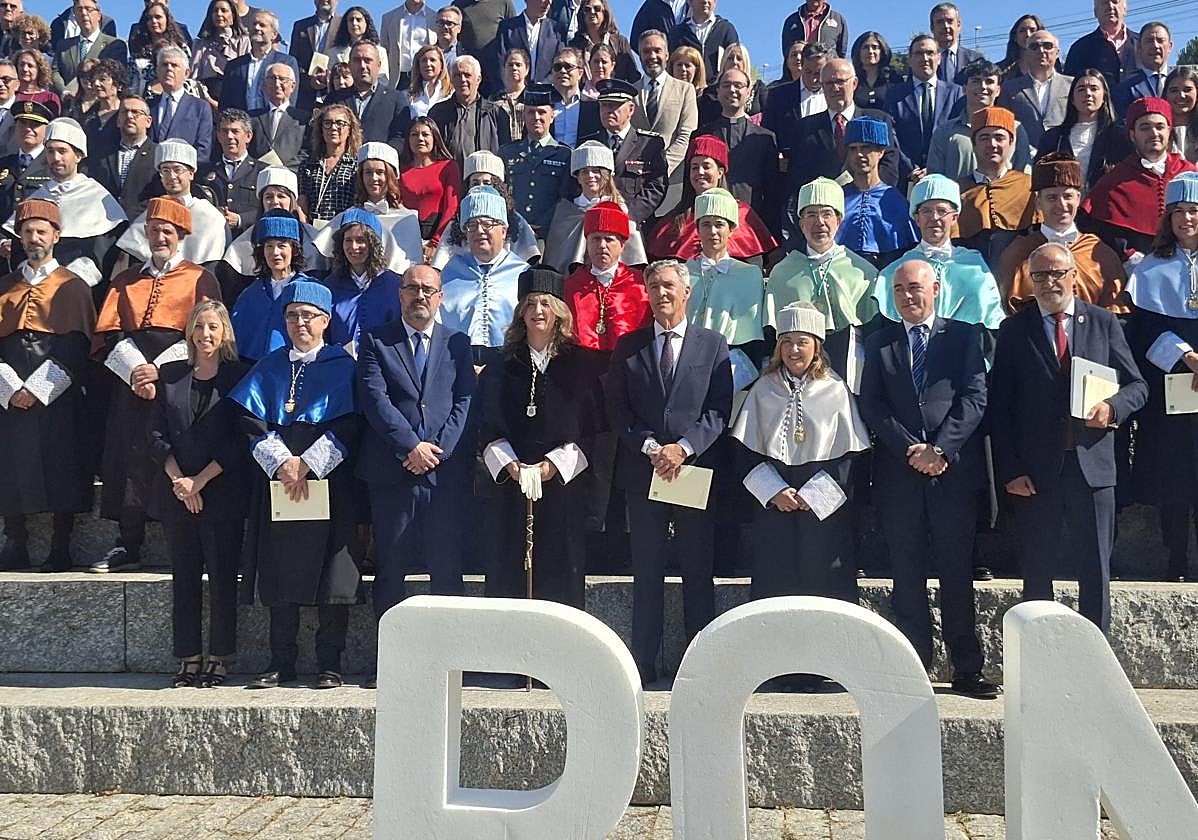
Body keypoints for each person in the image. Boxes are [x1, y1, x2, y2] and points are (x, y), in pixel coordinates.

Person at [857, 259, 998, 699]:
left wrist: (940, 449)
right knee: (906, 573)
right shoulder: (880, 343)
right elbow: (872, 405)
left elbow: (975, 397)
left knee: (957, 572)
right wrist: (909, 450)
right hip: (901, 475)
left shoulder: (963, 336)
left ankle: (966, 668)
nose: (907, 297)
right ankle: (914, 666)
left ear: (935, 289)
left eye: (915, 288)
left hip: (951, 474)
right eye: (899, 290)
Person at [990, 241, 1145, 633]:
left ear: (1074, 276)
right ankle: (1040, 655)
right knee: (1036, 570)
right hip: (1035, 475)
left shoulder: (1103, 322)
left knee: (1095, 568)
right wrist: (1010, 471)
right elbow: (999, 409)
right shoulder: (1013, 330)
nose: (1048, 282)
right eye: (1039, 275)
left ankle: (1097, 656)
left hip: (1092, 468)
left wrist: (1113, 408)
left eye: (1057, 273)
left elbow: (1137, 387)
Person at [605, 258, 732, 686]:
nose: (661, 294)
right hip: (645, 472)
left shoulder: (712, 345)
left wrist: (684, 448)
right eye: (654, 286)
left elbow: (718, 410)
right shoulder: (629, 347)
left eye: (669, 286)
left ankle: (700, 665)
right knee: (647, 568)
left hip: (692, 472)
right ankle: (644, 662)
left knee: (698, 568)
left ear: (686, 292)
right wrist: (651, 447)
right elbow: (618, 410)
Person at [731, 301, 870, 688]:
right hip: (776, 504)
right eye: (787, 342)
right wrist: (775, 491)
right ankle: (776, 667)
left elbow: (849, 457)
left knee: (823, 579)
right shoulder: (763, 389)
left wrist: (814, 496)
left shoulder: (835, 390)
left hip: (821, 507)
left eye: (802, 342)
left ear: (817, 346)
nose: (794, 351)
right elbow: (745, 453)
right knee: (776, 583)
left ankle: (828, 667)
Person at [233, 279, 362, 690]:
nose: (300, 323)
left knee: (331, 575)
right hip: (279, 483)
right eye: (292, 315)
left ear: (325, 321)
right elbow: (251, 421)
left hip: (328, 481)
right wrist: (283, 464)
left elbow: (351, 422)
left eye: (308, 316)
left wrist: (308, 464)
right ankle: (280, 662)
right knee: (279, 569)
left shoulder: (343, 366)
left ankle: (329, 662)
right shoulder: (269, 365)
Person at [355, 263, 474, 685]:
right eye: (411, 289)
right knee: (391, 569)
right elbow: (374, 398)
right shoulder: (374, 341)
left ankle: (449, 663)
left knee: (447, 569)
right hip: (394, 473)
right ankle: (392, 661)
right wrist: (411, 447)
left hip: (444, 478)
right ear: (399, 295)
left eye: (428, 289)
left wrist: (435, 452)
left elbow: (464, 401)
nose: (419, 296)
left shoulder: (458, 343)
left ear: (440, 297)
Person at [91, 197, 222, 574]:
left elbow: (206, 330)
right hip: (130, 379)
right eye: (154, 230)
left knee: (176, 450)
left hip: (179, 377)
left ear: (181, 235)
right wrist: (136, 371)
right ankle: (126, 543)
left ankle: (182, 543)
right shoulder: (125, 280)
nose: (160, 236)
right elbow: (109, 333)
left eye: (168, 231)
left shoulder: (201, 278)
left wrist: (159, 373)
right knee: (130, 455)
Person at [480, 265, 603, 608]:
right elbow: (486, 428)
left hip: (564, 487)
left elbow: (595, 431)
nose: (538, 311)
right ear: (521, 312)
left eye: (546, 304)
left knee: (561, 570)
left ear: (559, 312)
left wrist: (552, 466)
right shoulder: (502, 366)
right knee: (509, 569)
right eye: (531, 304)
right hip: (512, 487)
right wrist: (513, 467)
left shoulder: (582, 366)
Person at [147, 299, 249, 687]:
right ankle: (189, 656)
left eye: (213, 327)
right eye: (199, 327)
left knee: (223, 578)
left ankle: (219, 657)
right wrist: (180, 481)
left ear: (224, 333)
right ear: (189, 331)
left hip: (221, 493)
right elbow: (155, 435)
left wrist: (200, 481)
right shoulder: (171, 375)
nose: (206, 334)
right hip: (178, 493)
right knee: (184, 577)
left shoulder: (239, 376)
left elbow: (241, 440)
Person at [0, 199, 96, 572]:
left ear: (56, 236)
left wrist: (38, 388)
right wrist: (9, 387)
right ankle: (16, 541)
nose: (34, 238)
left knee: (62, 463)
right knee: (8, 462)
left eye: (42, 231)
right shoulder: (5, 285)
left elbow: (77, 344)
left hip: (56, 391)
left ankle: (61, 545)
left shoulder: (72, 287)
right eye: (27, 231)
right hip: (8, 389)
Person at [1125, 172, 1198, 581]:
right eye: (1178, 212)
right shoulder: (1151, 269)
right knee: (1174, 475)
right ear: (1166, 219)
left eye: (1193, 211)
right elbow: (1145, 329)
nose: (1186, 219)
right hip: (1172, 383)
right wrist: (1186, 357)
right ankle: (1174, 559)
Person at [873, 175, 1005, 338]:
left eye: (942, 211)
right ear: (916, 219)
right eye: (926, 211)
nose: (934, 218)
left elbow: (990, 325)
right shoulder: (895, 271)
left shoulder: (975, 267)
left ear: (954, 218)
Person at [2, 116, 125, 288]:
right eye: (50, 151)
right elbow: (19, 248)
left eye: (62, 151)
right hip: (35, 286)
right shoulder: (38, 196)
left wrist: (65, 281)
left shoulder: (97, 196)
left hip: (78, 289)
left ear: (78, 155)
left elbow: (101, 254)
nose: (56, 158)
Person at [999, 153, 1125, 313]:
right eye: (1052, 197)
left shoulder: (1100, 253)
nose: (1061, 204)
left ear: (1078, 199)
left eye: (1068, 196)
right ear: (1038, 203)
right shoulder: (1017, 253)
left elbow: (1115, 315)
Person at [767, 177, 880, 346]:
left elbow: (873, 331)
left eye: (827, 214)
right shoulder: (782, 272)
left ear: (839, 221)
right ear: (801, 224)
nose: (819, 222)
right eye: (811, 215)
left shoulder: (863, 272)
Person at [1081, 97, 1197, 257]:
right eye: (1145, 127)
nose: (1154, 133)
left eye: (1160, 126)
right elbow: (1103, 232)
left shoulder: (1190, 175)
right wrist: (1129, 257)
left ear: (1169, 131)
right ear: (1132, 134)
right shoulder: (1114, 181)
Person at [645, 133, 777, 265]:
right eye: (695, 167)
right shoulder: (675, 219)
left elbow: (756, 262)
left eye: (706, 166)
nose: (700, 172)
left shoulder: (742, 213)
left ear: (720, 172)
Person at [438, 185, 528, 364]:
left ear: (503, 230)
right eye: (472, 225)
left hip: (509, 361)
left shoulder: (523, 273)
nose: (479, 231)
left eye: (487, 224)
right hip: (458, 360)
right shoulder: (449, 272)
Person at [684, 187, 764, 388]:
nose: (712, 231)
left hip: (731, 364)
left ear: (731, 229)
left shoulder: (749, 274)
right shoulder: (683, 271)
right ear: (697, 229)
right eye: (706, 224)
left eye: (719, 225)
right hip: (686, 362)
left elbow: (751, 335)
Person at [116, 139, 230, 271]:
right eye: (165, 170)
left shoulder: (210, 217)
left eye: (177, 170)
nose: (171, 176)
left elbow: (212, 270)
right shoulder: (150, 214)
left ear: (191, 174)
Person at [311, 141, 422, 275]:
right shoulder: (347, 216)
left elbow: (412, 267)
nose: (374, 178)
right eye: (368, 172)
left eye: (380, 172)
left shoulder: (408, 219)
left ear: (391, 176)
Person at [954, 106, 1039, 271]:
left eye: (999, 137)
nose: (992, 144)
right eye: (984, 138)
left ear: (1011, 142)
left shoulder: (1028, 186)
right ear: (974, 143)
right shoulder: (956, 189)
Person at [695, 66, 780, 228]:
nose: (732, 90)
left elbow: (772, 193)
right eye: (726, 85)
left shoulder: (765, 138)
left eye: (738, 85)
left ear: (748, 92)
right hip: (709, 222)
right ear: (718, 92)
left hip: (752, 223)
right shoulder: (701, 135)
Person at [542, 140, 647, 271]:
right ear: (578, 177)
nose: (590, 176)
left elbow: (632, 258)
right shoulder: (565, 210)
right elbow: (556, 256)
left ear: (607, 176)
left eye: (596, 171)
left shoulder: (620, 210)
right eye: (584, 172)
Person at [430, 148, 540, 267]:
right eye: (475, 183)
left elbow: (528, 259)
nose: (481, 188)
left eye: (487, 183)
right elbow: (441, 263)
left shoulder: (516, 221)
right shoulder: (455, 223)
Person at [927, 59, 1033, 184]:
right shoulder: (945, 131)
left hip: (1005, 202)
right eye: (976, 81)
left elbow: (1024, 177)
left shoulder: (1015, 129)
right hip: (959, 201)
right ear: (964, 88)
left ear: (998, 90)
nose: (982, 86)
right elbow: (934, 178)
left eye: (989, 82)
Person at [230, 209, 317, 360]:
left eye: (282, 245)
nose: (275, 252)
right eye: (269, 246)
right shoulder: (250, 294)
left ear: (294, 249)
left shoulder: (310, 290)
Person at [578, 77, 667, 225]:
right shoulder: (588, 144)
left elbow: (657, 186)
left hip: (633, 224)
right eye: (604, 105)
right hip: (595, 222)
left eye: (615, 106)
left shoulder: (649, 145)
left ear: (631, 109)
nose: (608, 111)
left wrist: (630, 216)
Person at [318, 208, 403, 354]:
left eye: (361, 240)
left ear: (374, 244)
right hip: (340, 366)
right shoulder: (330, 286)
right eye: (348, 240)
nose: (353, 247)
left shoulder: (395, 285)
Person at [838, 117, 918, 268]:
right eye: (853, 149)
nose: (859, 154)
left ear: (881, 151)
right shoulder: (838, 197)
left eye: (865, 148)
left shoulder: (895, 200)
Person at [1036, 70, 1131, 193]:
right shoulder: (1053, 138)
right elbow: (1040, 179)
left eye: (1094, 88)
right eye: (1081, 89)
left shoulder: (1119, 136)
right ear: (1072, 99)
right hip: (1063, 208)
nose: (1088, 93)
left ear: (1104, 97)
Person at [499, 83, 570, 240]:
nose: (536, 117)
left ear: (552, 116)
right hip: (513, 233)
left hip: (549, 234)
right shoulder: (507, 152)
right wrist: (518, 224)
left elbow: (565, 199)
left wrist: (541, 225)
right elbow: (501, 193)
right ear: (523, 116)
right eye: (531, 112)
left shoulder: (565, 155)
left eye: (542, 112)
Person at [635, 30, 696, 207]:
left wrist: (658, 168)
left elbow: (686, 135)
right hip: (635, 185)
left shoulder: (685, 90)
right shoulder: (630, 93)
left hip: (672, 183)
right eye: (646, 51)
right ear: (639, 55)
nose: (652, 56)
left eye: (657, 50)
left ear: (667, 54)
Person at [885, 34, 962, 174]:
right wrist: (912, 168)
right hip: (908, 176)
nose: (925, 58)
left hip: (945, 173)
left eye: (930, 53)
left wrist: (934, 167)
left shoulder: (955, 93)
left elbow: (958, 133)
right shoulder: (894, 95)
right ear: (909, 59)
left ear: (939, 58)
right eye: (919, 53)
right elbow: (893, 136)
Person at [427, 54, 510, 167]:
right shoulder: (437, 113)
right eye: (457, 75)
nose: (462, 80)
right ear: (451, 79)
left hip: (486, 179)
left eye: (467, 75)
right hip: (449, 179)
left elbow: (506, 153)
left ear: (478, 79)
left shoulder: (497, 114)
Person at [198, 108, 269, 240]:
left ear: (248, 136)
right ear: (218, 136)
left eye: (235, 131)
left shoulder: (263, 171)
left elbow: (270, 208)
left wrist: (241, 219)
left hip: (248, 242)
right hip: (212, 241)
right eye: (225, 131)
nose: (229, 136)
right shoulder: (204, 172)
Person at [996, 29, 1070, 153]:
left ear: (1057, 52)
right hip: (1023, 161)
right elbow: (1004, 127)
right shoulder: (1009, 88)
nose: (1041, 50)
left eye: (1047, 46)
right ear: (1026, 54)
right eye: (1034, 46)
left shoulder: (1073, 85)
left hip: (1066, 157)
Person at [324, 41, 409, 146]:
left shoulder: (396, 99)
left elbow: (400, 138)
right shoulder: (334, 99)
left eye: (368, 60)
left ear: (378, 65)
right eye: (357, 60)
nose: (362, 65)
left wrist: (382, 159)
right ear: (350, 65)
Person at [398, 114, 460, 257]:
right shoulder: (399, 169)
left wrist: (435, 242)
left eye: (425, 134)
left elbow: (451, 207)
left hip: (439, 241)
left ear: (435, 138)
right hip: (405, 241)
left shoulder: (449, 167)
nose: (420, 138)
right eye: (414, 134)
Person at [219, 11, 300, 114]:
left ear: (274, 35)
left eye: (262, 25)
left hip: (271, 124)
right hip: (242, 125)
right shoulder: (234, 66)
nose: (257, 28)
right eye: (254, 24)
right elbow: (225, 103)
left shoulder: (286, 62)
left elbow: (290, 99)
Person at [148, 46, 213, 162]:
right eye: (164, 65)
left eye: (174, 65)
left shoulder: (200, 107)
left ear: (187, 73)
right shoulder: (149, 106)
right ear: (157, 71)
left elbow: (203, 150)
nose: (169, 69)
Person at [299, 102, 360, 225]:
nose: (333, 127)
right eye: (327, 123)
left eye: (340, 123)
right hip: (312, 231)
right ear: (321, 129)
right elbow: (302, 203)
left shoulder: (357, 165)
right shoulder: (308, 165)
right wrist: (306, 227)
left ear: (350, 130)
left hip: (344, 230)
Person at [49, 0, 127, 93]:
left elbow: (118, 76)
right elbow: (55, 72)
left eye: (88, 9)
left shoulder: (115, 45)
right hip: (69, 103)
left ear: (99, 16)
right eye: (79, 9)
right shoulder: (63, 46)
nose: (84, 13)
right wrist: (64, 92)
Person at [1062, 0, 1138, 91]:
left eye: (1115, 1)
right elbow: (1069, 88)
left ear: (1125, 9)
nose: (1110, 6)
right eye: (1104, 2)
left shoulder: (1144, 44)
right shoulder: (1080, 48)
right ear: (1095, 12)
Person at [189, 0, 251, 107]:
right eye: (215, 11)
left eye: (224, 10)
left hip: (235, 99)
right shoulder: (199, 44)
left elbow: (246, 75)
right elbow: (193, 77)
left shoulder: (243, 41)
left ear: (233, 16)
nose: (219, 14)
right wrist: (208, 100)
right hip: (205, 100)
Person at [0, 100, 52, 224]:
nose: (27, 129)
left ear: (46, 129)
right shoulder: (3, 163)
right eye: (22, 123)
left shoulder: (53, 165)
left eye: (35, 124)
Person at [247, 62, 307, 168]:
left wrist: (284, 168)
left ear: (293, 86)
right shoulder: (251, 117)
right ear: (264, 85)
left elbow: (307, 151)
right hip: (257, 177)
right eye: (272, 78)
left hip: (291, 176)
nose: (277, 84)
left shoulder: (304, 119)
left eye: (282, 79)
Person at [126, 3, 191, 100]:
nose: (154, 21)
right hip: (147, 101)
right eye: (149, 18)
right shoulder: (137, 53)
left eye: (158, 17)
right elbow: (133, 86)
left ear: (167, 19)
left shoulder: (181, 48)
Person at [1111, 22, 1172, 119]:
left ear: (1170, 46)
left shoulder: (1181, 82)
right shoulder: (1124, 89)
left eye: (1160, 40)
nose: (1155, 45)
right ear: (1139, 48)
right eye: (1149, 41)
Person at [495, 0, 565, 84]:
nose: (548, 2)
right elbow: (500, 61)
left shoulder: (557, 30)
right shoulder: (507, 28)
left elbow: (560, 61)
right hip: (515, 90)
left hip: (546, 91)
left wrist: (546, 83)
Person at [568, 0, 637, 84]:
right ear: (582, 14)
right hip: (585, 95)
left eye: (597, 8)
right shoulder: (575, 45)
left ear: (605, 12)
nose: (592, 12)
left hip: (615, 93)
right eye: (587, 9)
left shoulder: (620, 42)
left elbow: (633, 76)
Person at [667, 0, 736, 82]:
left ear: (715, 2)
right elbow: (670, 64)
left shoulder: (726, 30)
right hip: (684, 89)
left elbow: (735, 63)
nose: (706, 1)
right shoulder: (678, 33)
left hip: (716, 91)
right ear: (690, 2)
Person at [288, 0, 340, 110]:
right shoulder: (300, 26)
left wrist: (331, 78)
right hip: (305, 97)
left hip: (336, 95)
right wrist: (309, 81)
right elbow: (293, 61)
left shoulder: (344, 25)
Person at [324, 6, 391, 86]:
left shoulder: (380, 52)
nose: (354, 23)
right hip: (342, 96)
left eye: (358, 20)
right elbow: (330, 81)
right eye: (351, 20)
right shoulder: (333, 53)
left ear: (367, 23)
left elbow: (383, 80)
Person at [379, 0, 436, 93]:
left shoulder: (435, 18)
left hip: (426, 77)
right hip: (398, 79)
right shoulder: (388, 18)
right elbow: (384, 51)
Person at [930, 2, 981, 85]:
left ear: (959, 25)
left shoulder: (975, 59)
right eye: (940, 22)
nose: (946, 26)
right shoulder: (922, 61)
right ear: (932, 28)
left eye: (950, 21)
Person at [781, 0, 847, 60]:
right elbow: (787, 51)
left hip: (828, 68)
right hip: (801, 69)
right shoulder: (792, 21)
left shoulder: (838, 19)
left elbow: (841, 52)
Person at [850, 31, 899, 110]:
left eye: (875, 47)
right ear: (858, 52)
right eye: (865, 47)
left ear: (882, 51)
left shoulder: (894, 79)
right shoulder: (851, 79)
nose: (870, 51)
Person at [403, 44, 452, 119]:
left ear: (441, 65)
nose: (428, 64)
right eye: (424, 60)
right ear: (418, 66)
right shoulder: (407, 95)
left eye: (432, 60)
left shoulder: (451, 93)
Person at [548, 46, 584, 145]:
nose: (562, 71)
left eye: (568, 67)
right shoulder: (543, 105)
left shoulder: (592, 105)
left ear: (580, 73)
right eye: (557, 67)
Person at [491, 47, 528, 139]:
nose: (514, 68)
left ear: (527, 69)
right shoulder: (494, 99)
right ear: (504, 69)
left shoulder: (532, 97)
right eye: (510, 65)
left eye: (518, 65)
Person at [1163, 67, 1198, 164]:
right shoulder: (1158, 131)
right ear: (1165, 95)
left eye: (1187, 90)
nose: (1181, 95)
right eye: (1174, 90)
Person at [997, 14, 1044, 82]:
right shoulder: (1000, 69)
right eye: (1022, 31)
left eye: (1032, 30)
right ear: (1015, 37)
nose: (1028, 34)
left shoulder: (1051, 65)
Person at [13, 48, 60, 114]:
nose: (25, 69)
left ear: (39, 69)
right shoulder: (10, 94)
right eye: (22, 64)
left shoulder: (50, 98)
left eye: (30, 66)